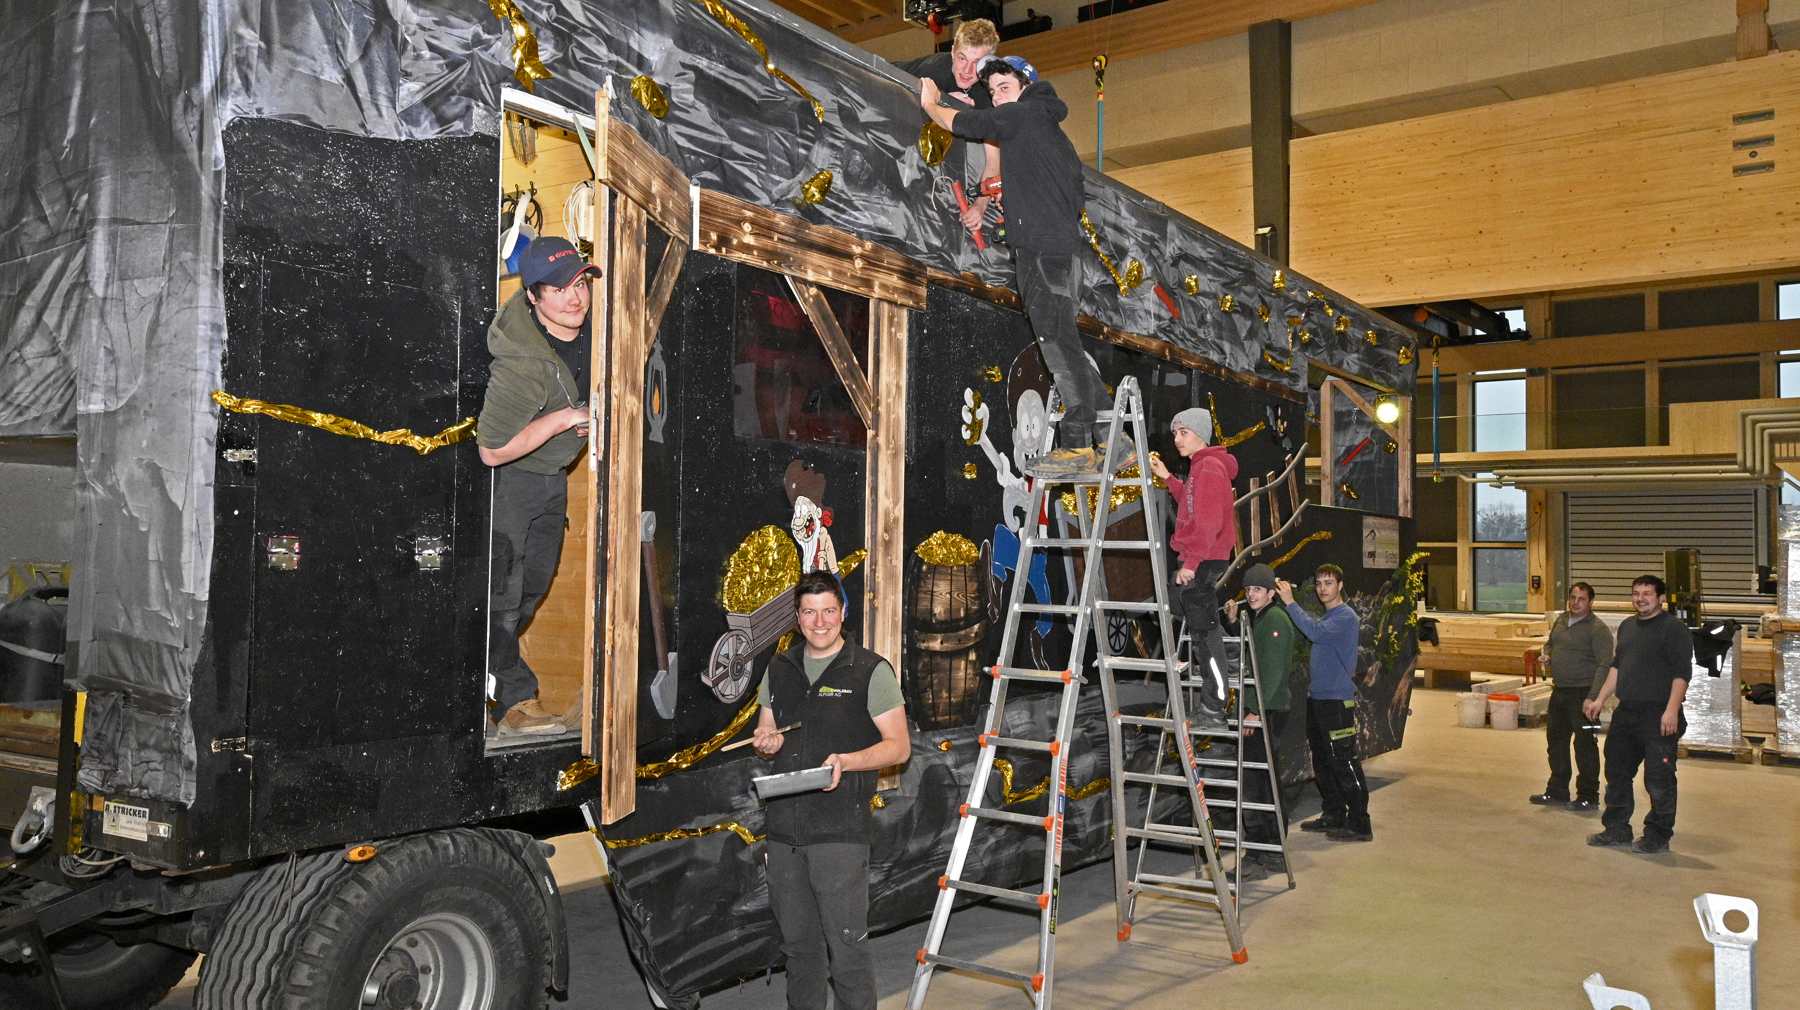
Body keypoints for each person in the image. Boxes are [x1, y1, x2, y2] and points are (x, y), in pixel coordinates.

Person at [919, 55, 1126, 479]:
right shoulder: (1053, 133)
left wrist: (930, 105)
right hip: (1062, 252)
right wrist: (1018, 204)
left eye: (1004, 88)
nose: (997, 98)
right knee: (1065, 340)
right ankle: (1115, 441)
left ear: (1027, 86)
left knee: (1055, 342)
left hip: (1040, 252)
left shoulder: (1024, 114)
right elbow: (1073, 197)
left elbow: (968, 123)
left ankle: (1078, 445)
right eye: (992, 91)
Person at [753, 572, 911, 1010]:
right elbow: (766, 732)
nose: (819, 622)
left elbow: (899, 747)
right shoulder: (779, 668)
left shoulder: (870, 670)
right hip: (783, 833)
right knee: (799, 952)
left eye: (828, 611)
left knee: (847, 954)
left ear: (843, 612)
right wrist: (766, 743)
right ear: (797, 617)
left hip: (840, 832)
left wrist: (848, 761)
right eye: (809, 612)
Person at [477, 237, 597, 735]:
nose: (575, 297)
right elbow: (492, 449)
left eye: (580, 283)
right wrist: (566, 418)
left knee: (532, 591)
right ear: (533, 295)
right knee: (502, 603)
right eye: (559, 289)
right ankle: (512, 703)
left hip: (553, 477)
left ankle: (489, 688)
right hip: (512, 480)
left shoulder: (597, 330)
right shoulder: (522, 361)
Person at [1584, 575, 1693, 854]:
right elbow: (1617, 667)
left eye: (1647, 594)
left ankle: (1658, 835)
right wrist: (1600, 699)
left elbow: (1682, 674)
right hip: (1627, 713)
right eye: (1636, 593)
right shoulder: (1628, 626)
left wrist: (1671, 711)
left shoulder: (1674, 629)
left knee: (1658, 779)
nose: (1640, 599)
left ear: (1661, 598)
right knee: (1616, 773)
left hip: (1659, 715)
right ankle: (1617, 829)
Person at [1149, 407, 1238, 725]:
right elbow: (1190, 503)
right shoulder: (1201, 466)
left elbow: (1209, 522)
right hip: (1200, 557)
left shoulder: (1210, 467)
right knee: (1179, 604)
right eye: (1175, 433)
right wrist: (1168, 478)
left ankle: (1214, 708)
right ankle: (1230, 654)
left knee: (1203, 635)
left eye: (1184, 432)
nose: (1177, 439)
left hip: (1204, 558)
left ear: (1200, 434)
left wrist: (1192, 562)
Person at [1277, 564, 1371, 842]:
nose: (1322, 588)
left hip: (1337, 703)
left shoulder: (1344, 616)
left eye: (1328, 583)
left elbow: (1315, 632)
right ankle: (1333, 814)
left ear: (1340, 586)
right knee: (1323, 761)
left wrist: (1290, 603)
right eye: (1318, 583)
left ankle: (1360, 824)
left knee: (1344, 761)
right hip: (1318, 699)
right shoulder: (1329, 617)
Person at [895, 19, 1001, 239]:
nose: (967, 70)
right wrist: (945, 103)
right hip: (883, 81)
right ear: (952, 52)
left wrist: (980, 207)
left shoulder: (988, 95)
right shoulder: (932, 72)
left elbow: (994, 158)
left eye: (977, 63)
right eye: (962, 58)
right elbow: (900, 120)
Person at [1223, 563, 1294, 881]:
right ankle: (1274, 853)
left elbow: (1272, 670)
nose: (1251, 594)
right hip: (1265, 709)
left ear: (1270, 592)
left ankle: (1257, 856)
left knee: (1256, 785)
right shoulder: (1262, 618)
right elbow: (1250, 653)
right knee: (1265, 782)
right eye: (1248, 589)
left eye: (1258, 589)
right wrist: (1234, 623)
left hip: (1266, 711)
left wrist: (1254, 710)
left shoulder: (1275, 620)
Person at [1529, 582, 1613, 811]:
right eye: (1573, 598)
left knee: (1585, 746)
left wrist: (1593, 697)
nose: (1576, 603)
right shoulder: (1561, 620)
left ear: (1591, 602)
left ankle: (1588, 796)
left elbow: (1605, 666)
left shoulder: (1598, 630)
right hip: (1560, 691)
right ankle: (1557, 791)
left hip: (1583, 694)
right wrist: (1548, 655)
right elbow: (1550, 644)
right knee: (1556, 742)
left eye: (1581, 599)